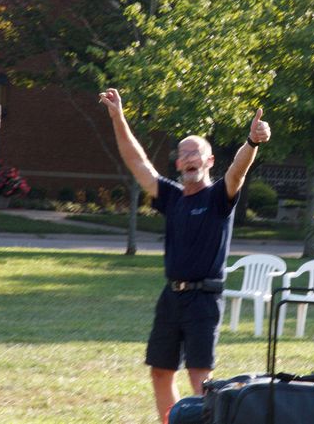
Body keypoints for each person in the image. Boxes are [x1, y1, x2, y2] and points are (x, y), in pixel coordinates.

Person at [99, 88, 271, 421]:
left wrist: (252, 143)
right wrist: (117, 116)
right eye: (184, 154)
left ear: (208, 161)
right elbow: (137, 162)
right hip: (171, 297)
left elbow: (238, 170)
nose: (190, 158)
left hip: (204, 299)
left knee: (200, 380)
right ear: (178, 163)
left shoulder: (220, 196)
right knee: (160, 372)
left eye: (197, 153)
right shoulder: (172, 196)